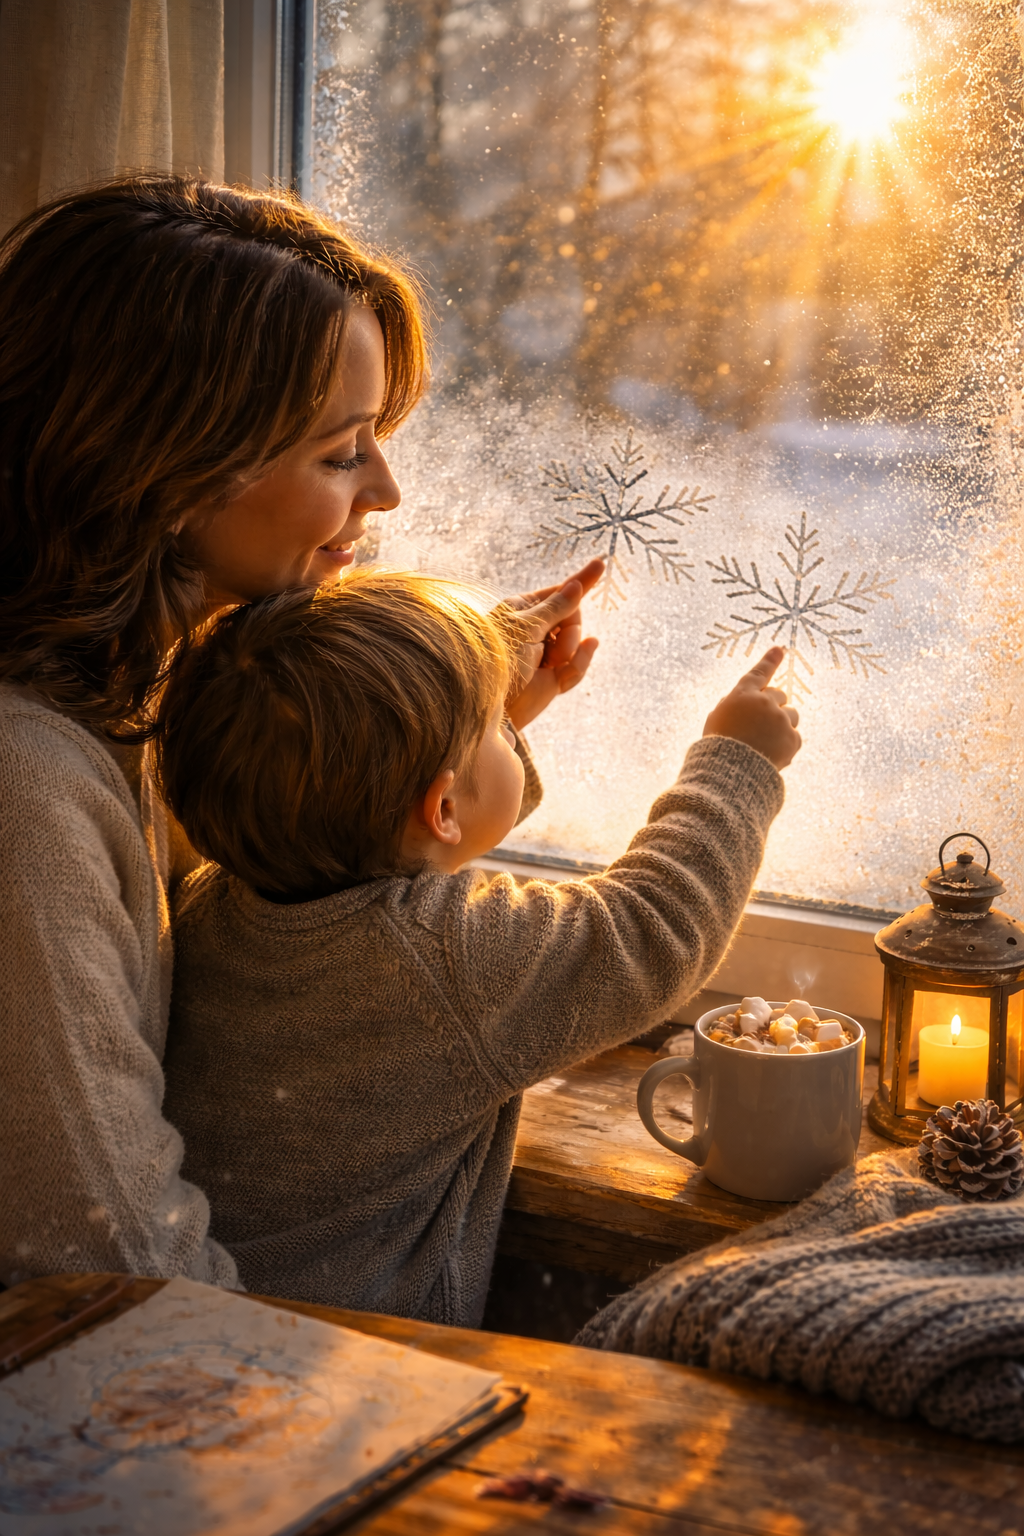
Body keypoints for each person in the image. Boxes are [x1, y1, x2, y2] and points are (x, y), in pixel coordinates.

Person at [0, 176, 603, 1287]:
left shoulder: (141, 694)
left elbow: (313, 870)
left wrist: (455, 715)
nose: (388, 490)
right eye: (342, 453)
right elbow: (122, 1269)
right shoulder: (25, 789)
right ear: (171, 472)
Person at [156, 571, 800, 1327]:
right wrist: (736, 761)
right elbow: (654, 925)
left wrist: (486, 712)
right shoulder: (444, 960)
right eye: (497, 727)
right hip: (367, 1358)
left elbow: (401, 834)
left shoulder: (208, 905)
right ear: (441, 805)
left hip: (209, 1328)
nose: (509, 730)